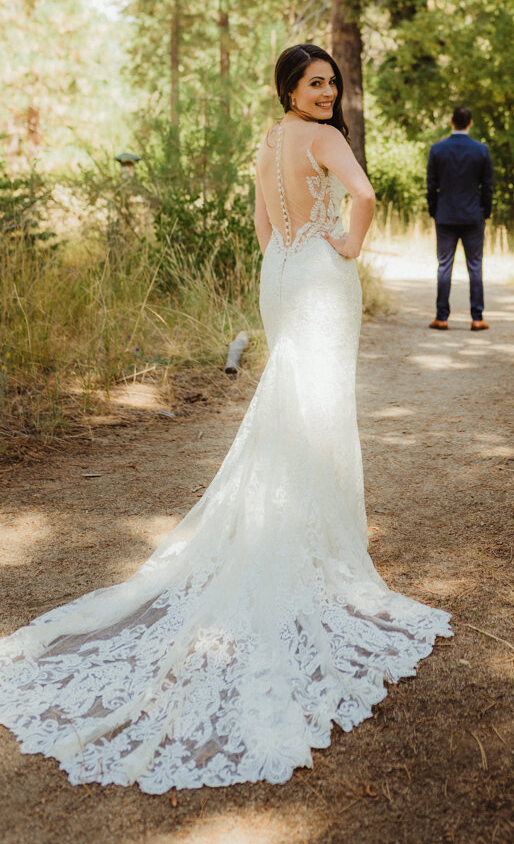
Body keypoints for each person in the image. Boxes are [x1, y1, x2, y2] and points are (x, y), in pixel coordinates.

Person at [0, 44, 452, 794]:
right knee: (318, 402)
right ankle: (316, 550)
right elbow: (363, 195)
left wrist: (287, 260)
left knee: (290, 399)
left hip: (280, 274)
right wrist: (345, 243)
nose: (327, 92)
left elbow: (261, 221)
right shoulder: (326, 140)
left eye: (331, 83)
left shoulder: (268, 142)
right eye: (315, 83)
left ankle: (289, 530)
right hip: (317, 272)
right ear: (290, 88)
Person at [426, 106, 493, 331]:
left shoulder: (437, 150)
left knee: (444, 266)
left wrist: (434, 211)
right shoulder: (481, 150)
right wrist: (486, 212)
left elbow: (431, 185)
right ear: (470, 123)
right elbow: (488, 186)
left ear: (451, 122)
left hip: (445, 215)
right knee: (475, 267)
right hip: (473, 216)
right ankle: (477, 317)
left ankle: (442, 317)